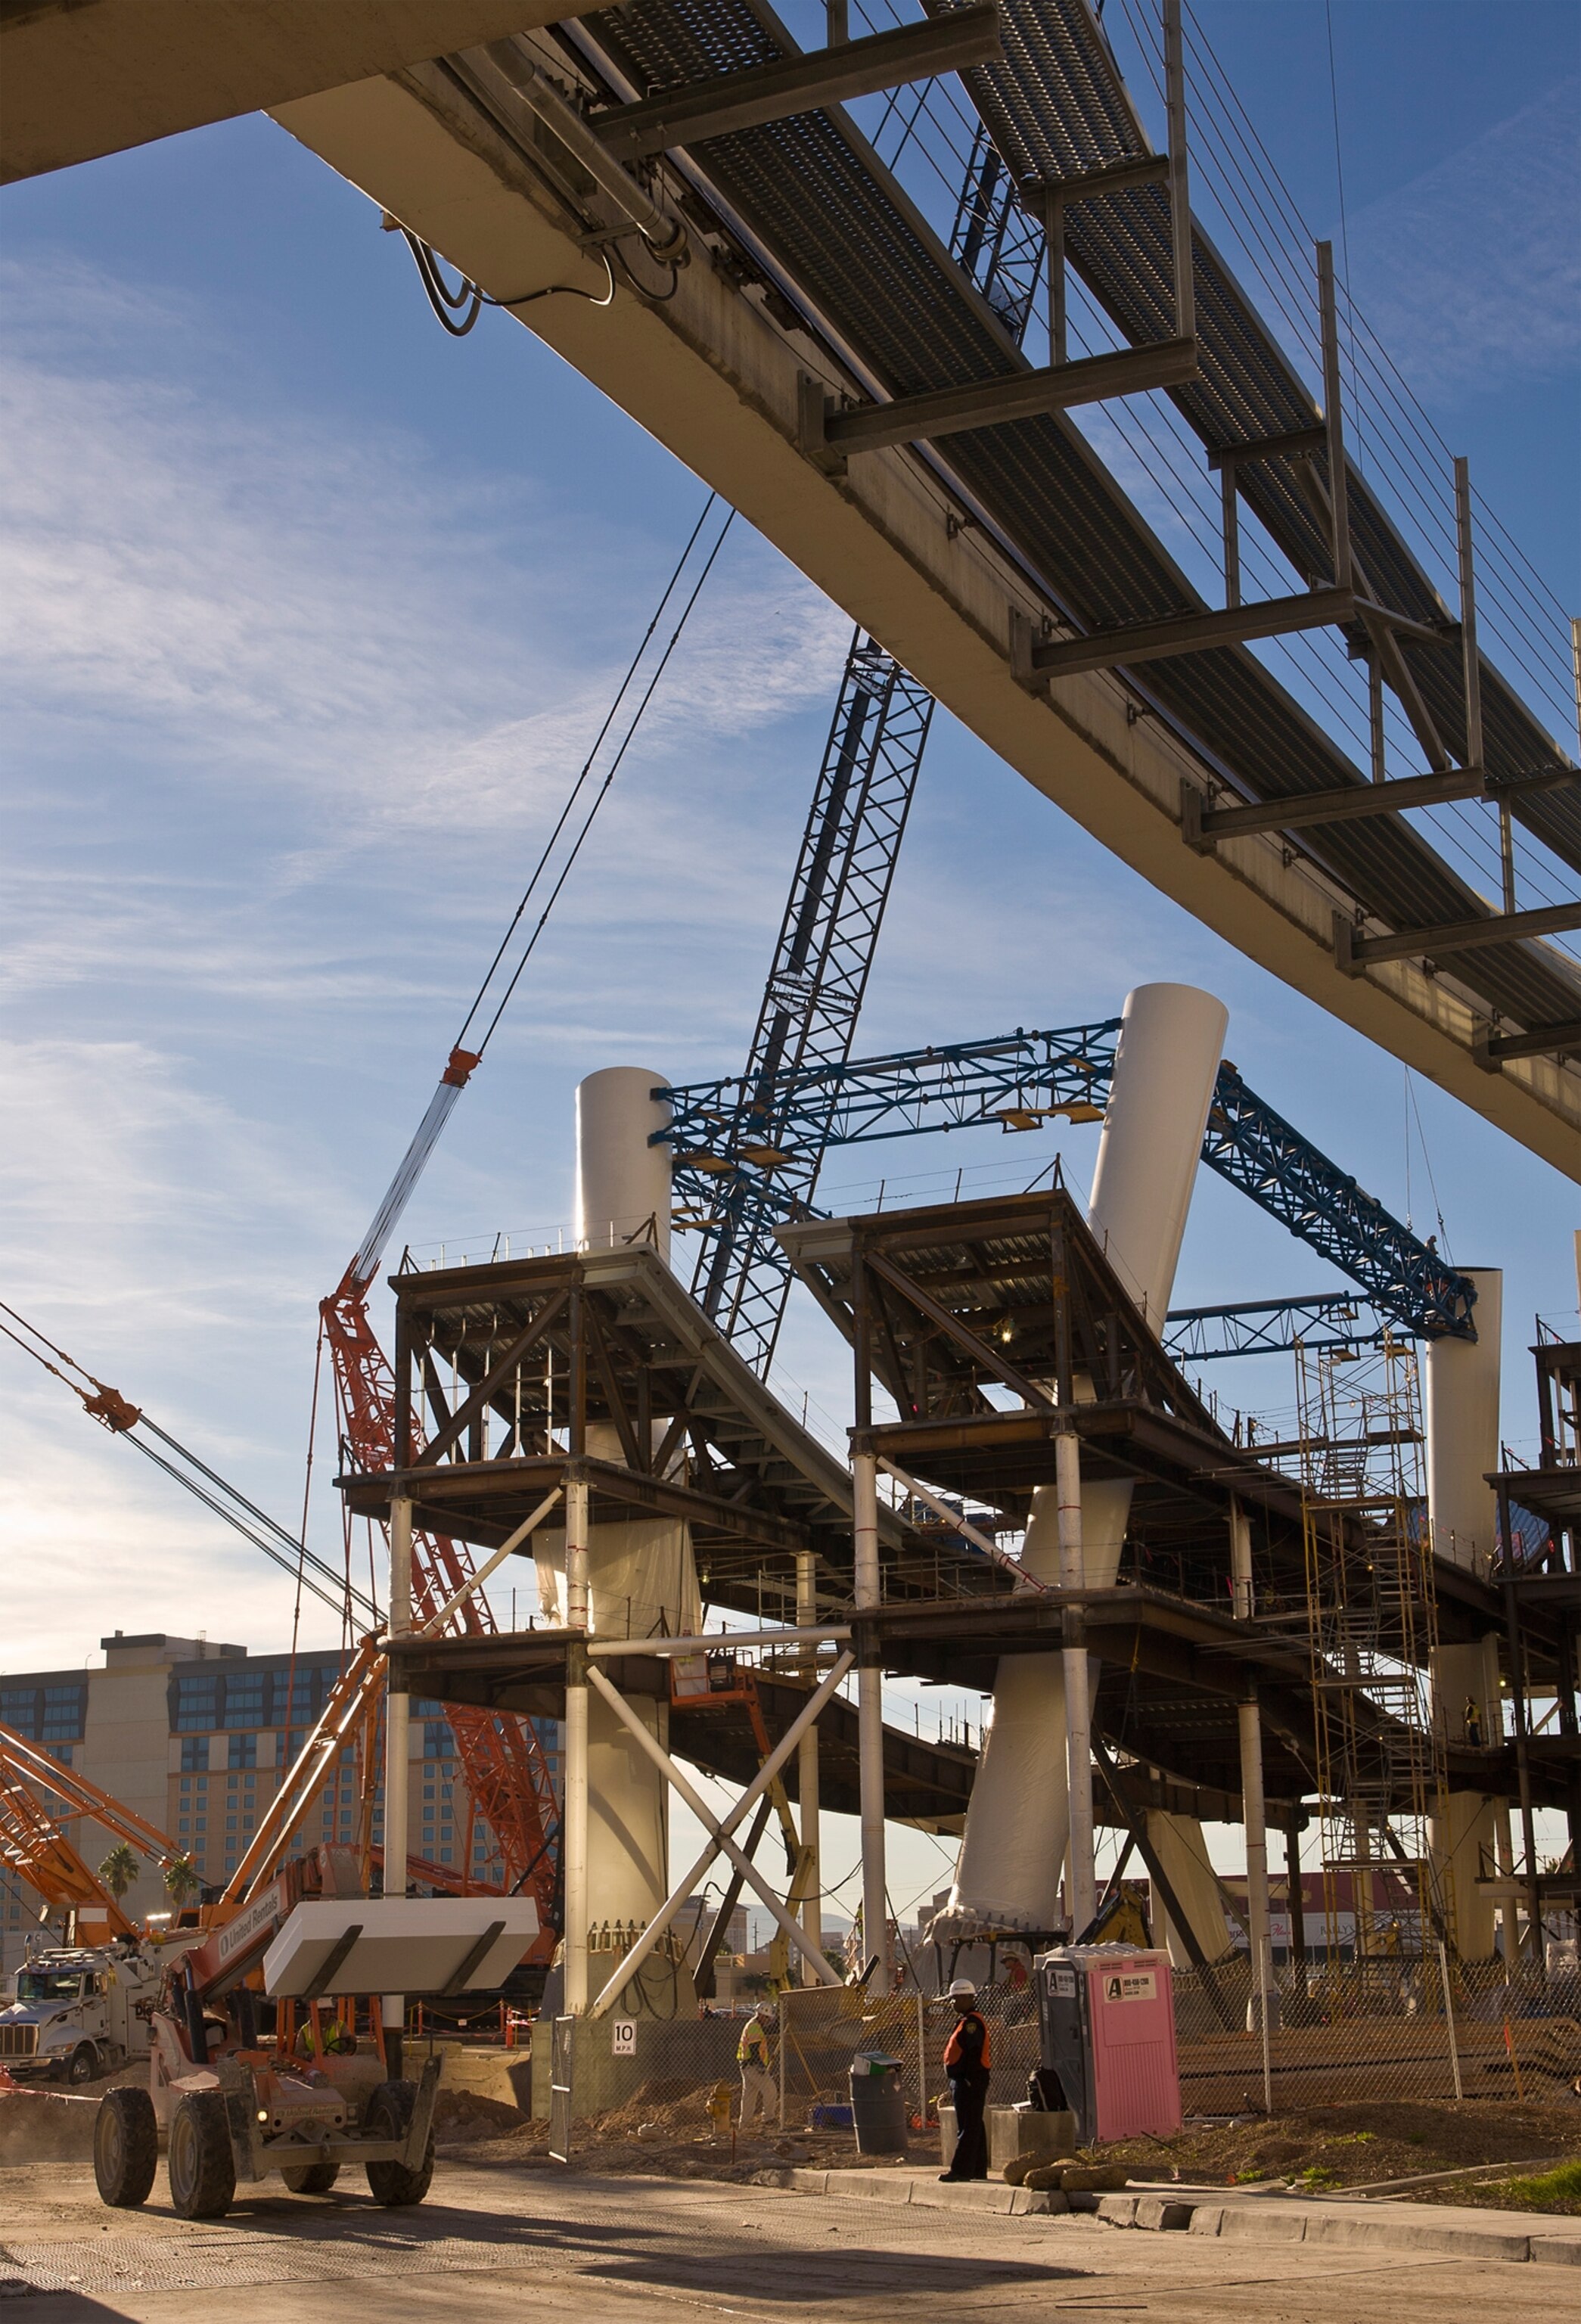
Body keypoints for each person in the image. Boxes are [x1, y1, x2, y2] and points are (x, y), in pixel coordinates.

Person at [940, 1978, 990, 2182]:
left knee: (968, 2126)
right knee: (974, 2124)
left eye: (954, 1999)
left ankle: (961, 2170)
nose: (952, 2003)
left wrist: (968, 2078)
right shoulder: (965, 2021)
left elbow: (973, 2051)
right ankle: (977, 2169)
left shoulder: (971, 2024)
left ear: (965, 1998)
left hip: (970, 2080)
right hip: (967, 2079)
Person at [737, 2005, 778, 2128]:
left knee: (749, 2095)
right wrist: (760, 2065)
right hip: (753, 2065)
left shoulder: (753, 2025)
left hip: (745, 2065)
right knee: (770, 2090)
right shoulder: (755, 2027)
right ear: (760, 2015)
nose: (767, 2020)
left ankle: (744, 2124)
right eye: (766, 2018)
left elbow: (768, 2030)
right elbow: (754, 2048)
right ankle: (768, 2118)